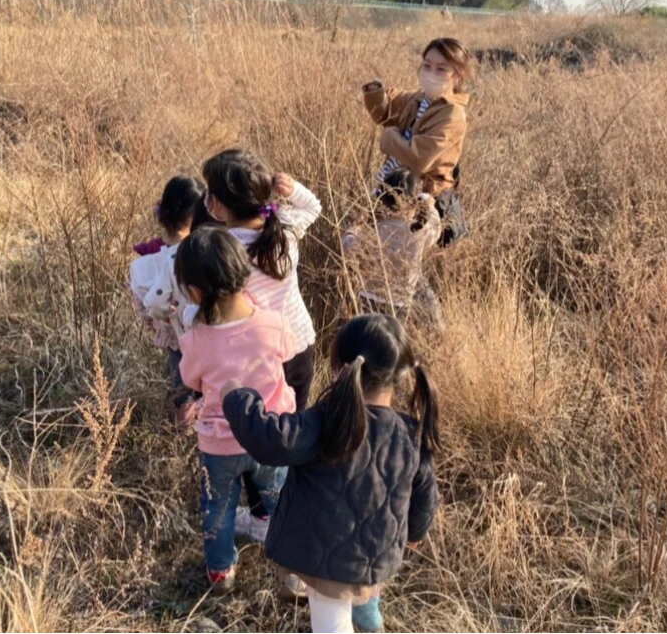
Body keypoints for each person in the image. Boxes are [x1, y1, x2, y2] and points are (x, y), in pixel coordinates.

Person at [221, 314, 441, 633]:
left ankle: (360, 619)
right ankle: (368, 618)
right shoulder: (409, 432)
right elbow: (425, 492)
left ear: (341, 367)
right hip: (376, 553)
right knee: (365, 583)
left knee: (331, 624)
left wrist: (237, 398)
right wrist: (416, 532)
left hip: (325, 560)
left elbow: (271, 440)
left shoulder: (326, 423)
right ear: (400, 374)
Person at [201, 149, 322, 563]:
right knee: (290, 431)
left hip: (255, 358)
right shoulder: (283, 229)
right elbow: (314, 206)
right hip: (300, 349)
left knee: (254, 433)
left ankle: (260, 514)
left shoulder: (222, 249)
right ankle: (287, 511)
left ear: (217, 204)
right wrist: (291, 190)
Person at [175, 226, 298, 593]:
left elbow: (190, 378)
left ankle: (220, 571)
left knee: (218, 507)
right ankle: (291, 569)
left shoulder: (196, 339)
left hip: (219, 444)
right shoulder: (271, 323)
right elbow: (289, 351)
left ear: (195, 292)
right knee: (282, 503)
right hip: (270, 437)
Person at [363, 37, 472, 248]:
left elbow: (419, 159)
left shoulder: (452, 113)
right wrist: (375, 93)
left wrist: (389, 137)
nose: (431, 73)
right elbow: (385, 113)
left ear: (457, 77)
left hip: (425, 201)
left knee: (407, 262)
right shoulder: (418, 100)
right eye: (427, 65)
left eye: (441, 69)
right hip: (395, 194)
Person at [130, 176, 203, 416]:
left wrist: (160, 324)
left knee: (181, 388)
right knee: (209, 388)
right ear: (194, 215)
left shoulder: (145, 260)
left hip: (173, 339)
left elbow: (142, 306)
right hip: (204, 337)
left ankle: (181, 426)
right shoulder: (196, 254)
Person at [343, 167, 442, 325]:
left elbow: (348, 246)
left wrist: (357, 224)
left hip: (367, 297)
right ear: (415, 202)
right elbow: (437, 226)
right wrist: (429, 205)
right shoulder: (420, 231)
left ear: (382, 197)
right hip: (400, 304)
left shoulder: (372, 228)